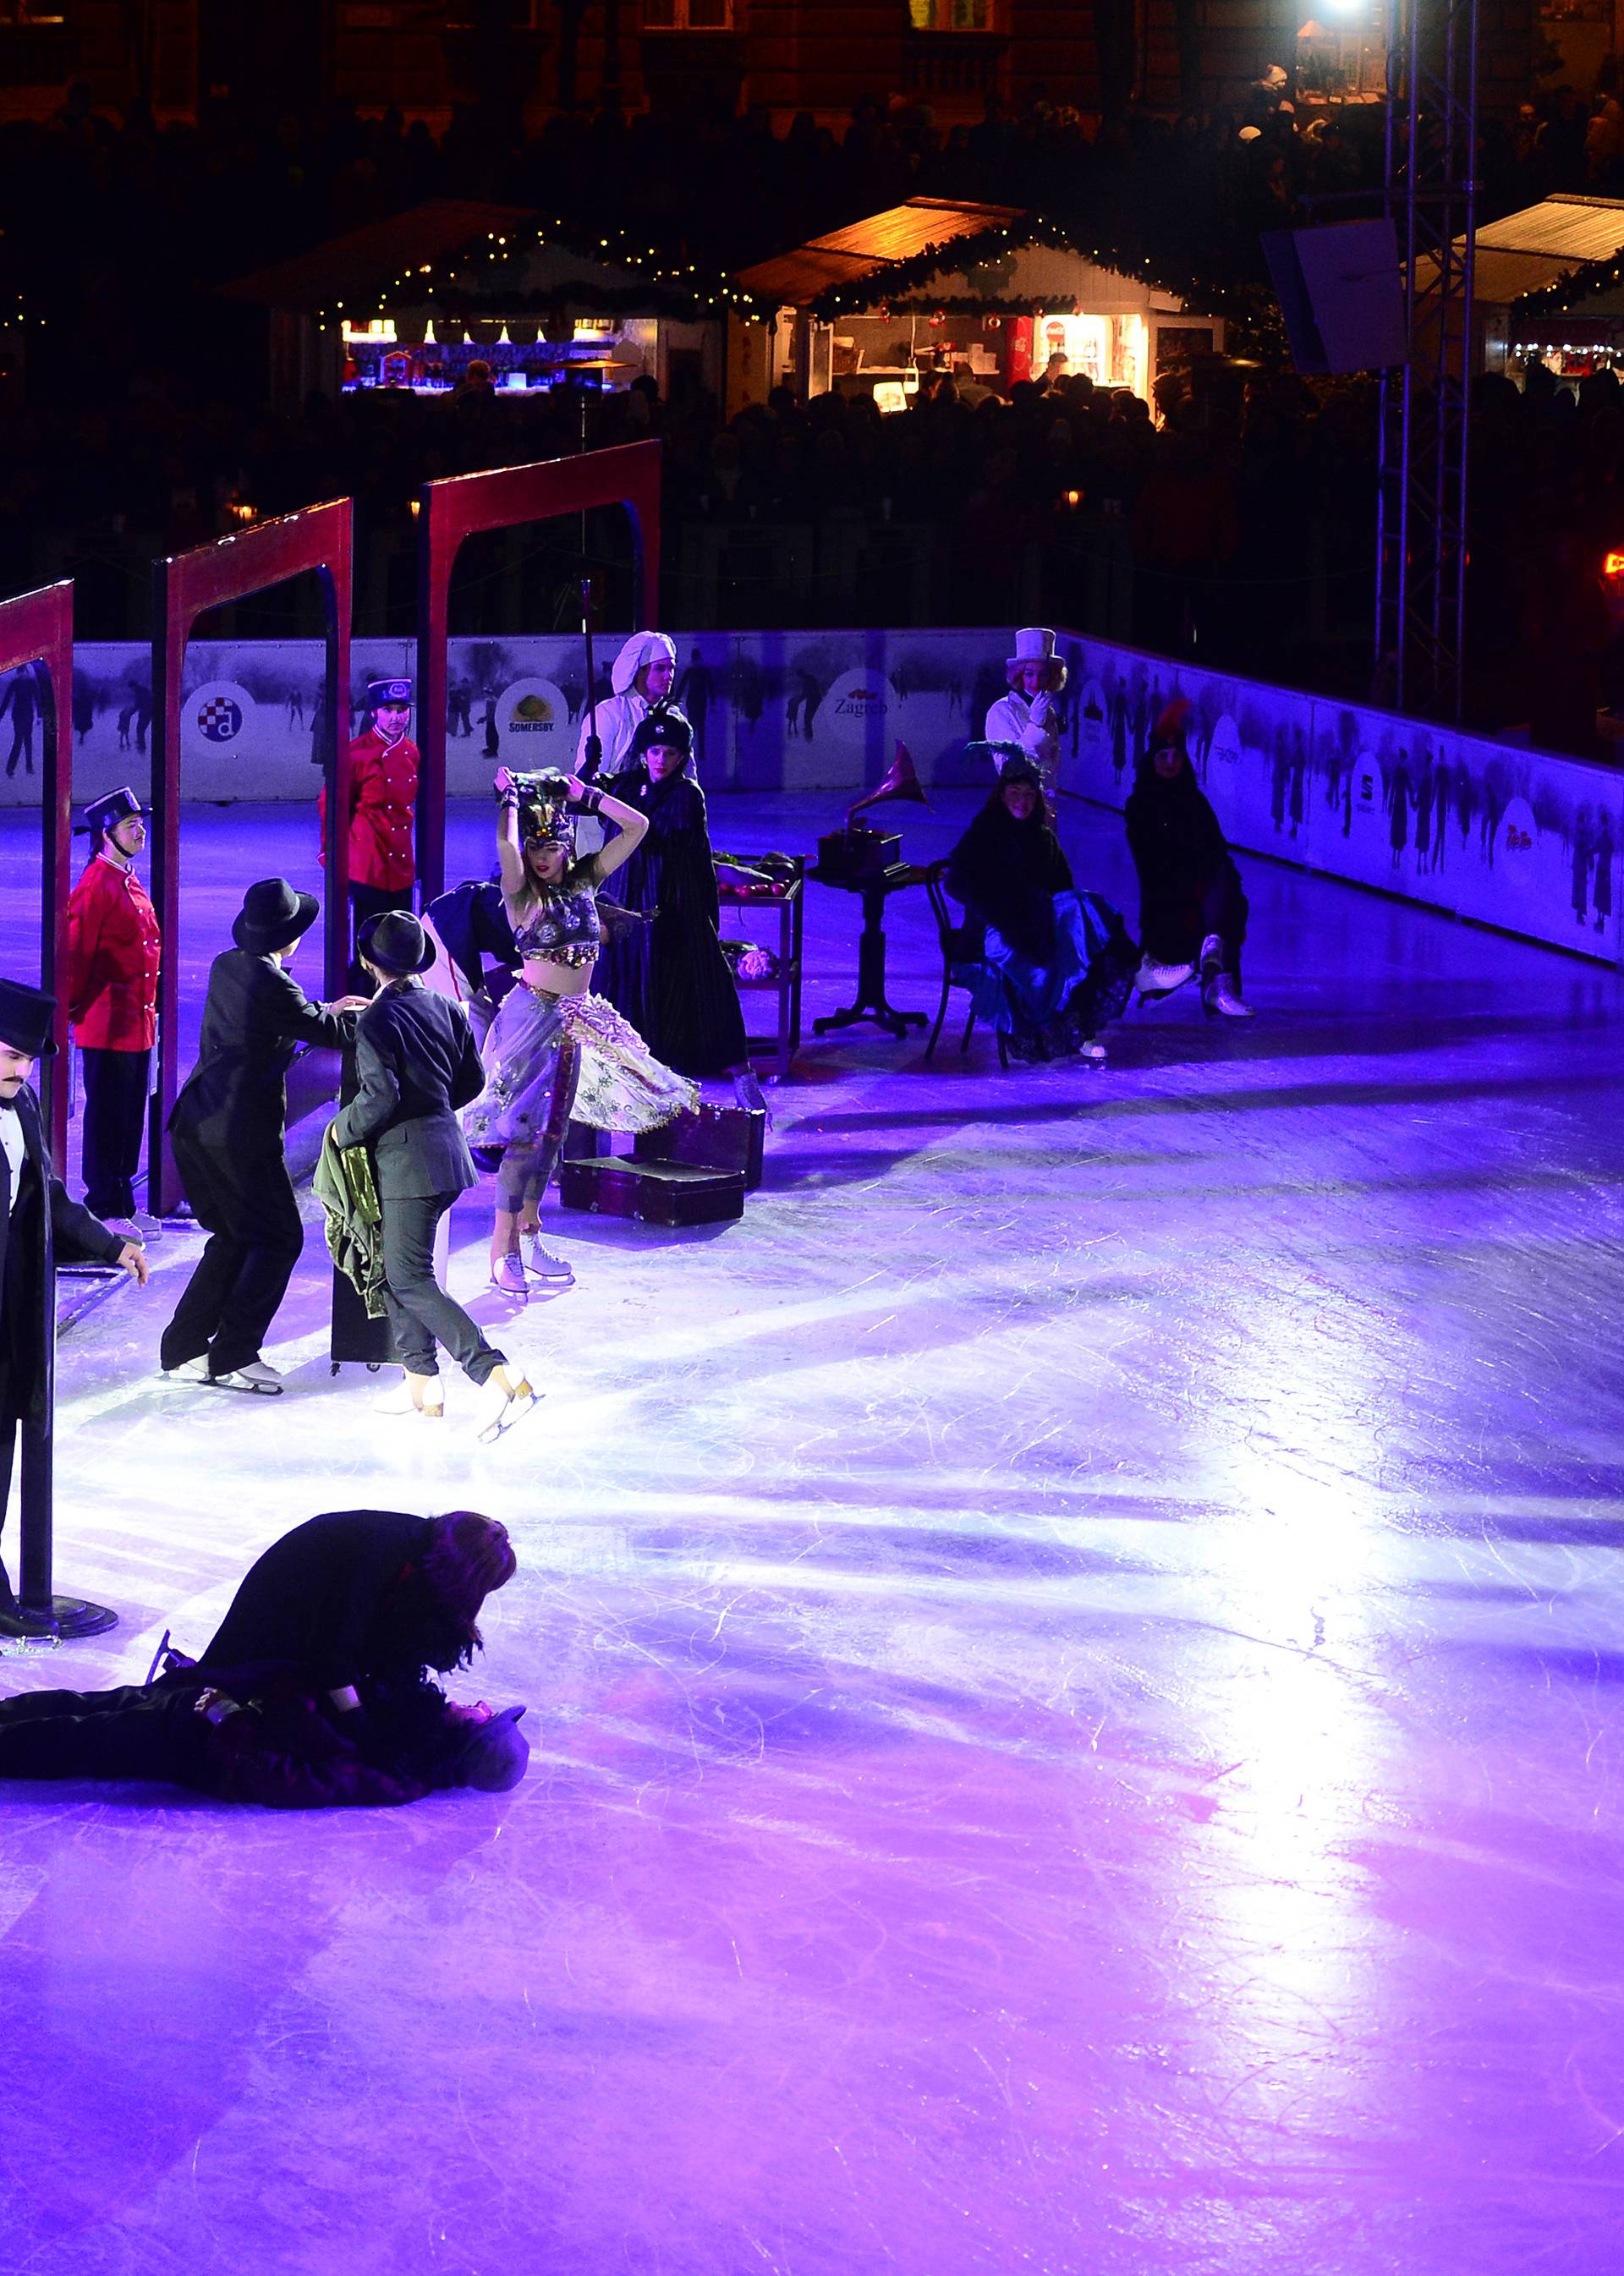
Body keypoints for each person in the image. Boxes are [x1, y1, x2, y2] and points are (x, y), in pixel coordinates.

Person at [0, 1508, 527, 1804]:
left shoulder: (403, 1760)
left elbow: (305, 1749)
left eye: (486, 1717)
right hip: (274, 1636)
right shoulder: (387, 1556)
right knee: (118, 1712)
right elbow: (335, 1658)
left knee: (105, 1729)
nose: (483, 1703)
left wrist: (228, 1718)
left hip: (227, 1724)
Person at [464, 769, 697, 1296]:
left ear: (567, 848)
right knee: (524, 1138)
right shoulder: (521, 893)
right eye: (534, 848)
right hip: (532, 1019)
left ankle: (531, 1233)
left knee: (553, 1138)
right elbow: (504, 841)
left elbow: (635, 827)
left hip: (575, 1018)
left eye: (550, 847)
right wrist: (509, 799)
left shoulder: (585, 884)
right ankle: (503, 1251)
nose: (541, 857)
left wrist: (587, 795)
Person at [329, 910, 537, 1442]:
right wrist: (433, 1107)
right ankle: (421, 1379)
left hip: (408, 1163)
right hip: (446, 1154)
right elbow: (472, 1081)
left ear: (368, 962)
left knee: (408, 1276)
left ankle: (496, 1373)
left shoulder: (377, 1020)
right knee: (401, 1266)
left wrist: (341, 1131)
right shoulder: (447, 1006)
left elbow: (380, 1098)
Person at [160, 880, 365, 1394]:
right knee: (278, 1238)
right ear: (289, 938)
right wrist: (361, 1013)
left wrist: (322, 1011)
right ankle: (232, 1354)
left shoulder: (227, 965)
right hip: (237, 1136)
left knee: (233, 1237)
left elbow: (288, 1016)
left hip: (197, 1126)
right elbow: (334, 1035)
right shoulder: (275, 987)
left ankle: (184, 1348)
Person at [0, 979, 148, 1639]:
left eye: (26, 1059)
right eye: (6, 1055)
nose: (17, 1069)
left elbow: (49, 1195)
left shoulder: (23, 1104)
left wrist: (110, 1243)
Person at [946, 755, 1138, 1063]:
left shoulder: (1043, 838)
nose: (1022, 801)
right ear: (1002, 795)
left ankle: (1080, 1031)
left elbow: (1063, 887)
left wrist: (1040, 912)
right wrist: (1006, 905)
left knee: (1077, 925)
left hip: (1037, 926)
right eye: (1015, 793)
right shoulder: (984, 833)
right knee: (1060, 933)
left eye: (1029, 794)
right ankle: (1134, 973)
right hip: (995, 935)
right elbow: (956, 883)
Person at [599, 706, 750, 1079]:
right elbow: (603, 815)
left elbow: (652, 832)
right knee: (626, 967)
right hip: (627, 892)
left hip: (670, 898)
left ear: (682, 757)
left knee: (669, 972)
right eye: (654, 752)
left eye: (670, 753)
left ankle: (668, 1055)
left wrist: (599, 797)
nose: (661, 760)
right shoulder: (629, 784)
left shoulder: (686, 794)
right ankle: (625, 1054)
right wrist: (591, 775)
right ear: (643, 752)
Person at [65, 784, 162, 1241]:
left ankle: (122, 1201)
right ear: (107, 833)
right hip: (106, 1024)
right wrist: (72, 1013)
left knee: (128, 1118)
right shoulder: (95, 887)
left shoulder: (125, 875)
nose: (140, 830)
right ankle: (104, 1206)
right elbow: (77, 958)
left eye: (140, 822)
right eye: (131, 824)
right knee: (107, 1118)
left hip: (136, 1022)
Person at [1123, 703, 1254, 1017]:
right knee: (1218, 899)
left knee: (1228, 884)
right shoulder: (1141, 803)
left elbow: (1215, 846)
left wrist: (1205, 869)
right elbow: (1151, 858)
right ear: (1152, 759)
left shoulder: (1193, 799)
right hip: (1166, 892)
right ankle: (1215, 975)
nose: (1171, 762)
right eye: (1164, 756)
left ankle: (1216, 980)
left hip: (1201, 884)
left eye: (1177, 756)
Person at [320, 676, 420, 989]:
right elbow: (331, 805)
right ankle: (363, 995)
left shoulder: (412, 752)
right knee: (369, 938)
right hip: (368, 863)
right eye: (388, 709)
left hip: (401, 863)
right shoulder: (355, 753)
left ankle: (398, 993)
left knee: (400, 936)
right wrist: (331, 851)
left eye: (402, 709)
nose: (396, 717)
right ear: (374, 713)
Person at [576, 631, 677, 782]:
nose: (668, 676)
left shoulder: (675, 718)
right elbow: (590, 782)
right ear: (640, 672)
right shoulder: (608, 714)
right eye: (660, 668)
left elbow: (688, 777)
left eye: (671, 668)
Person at [984, 628, 1067, 797]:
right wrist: (1035, 725)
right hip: (1016, 802)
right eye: (1029, 674)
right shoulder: (1001, 710)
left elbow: (1051, 765)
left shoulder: (1047, 710)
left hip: (1045, 802)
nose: (1035, 682)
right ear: (1019, 674)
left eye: (1043, 675)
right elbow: (1009, 765)